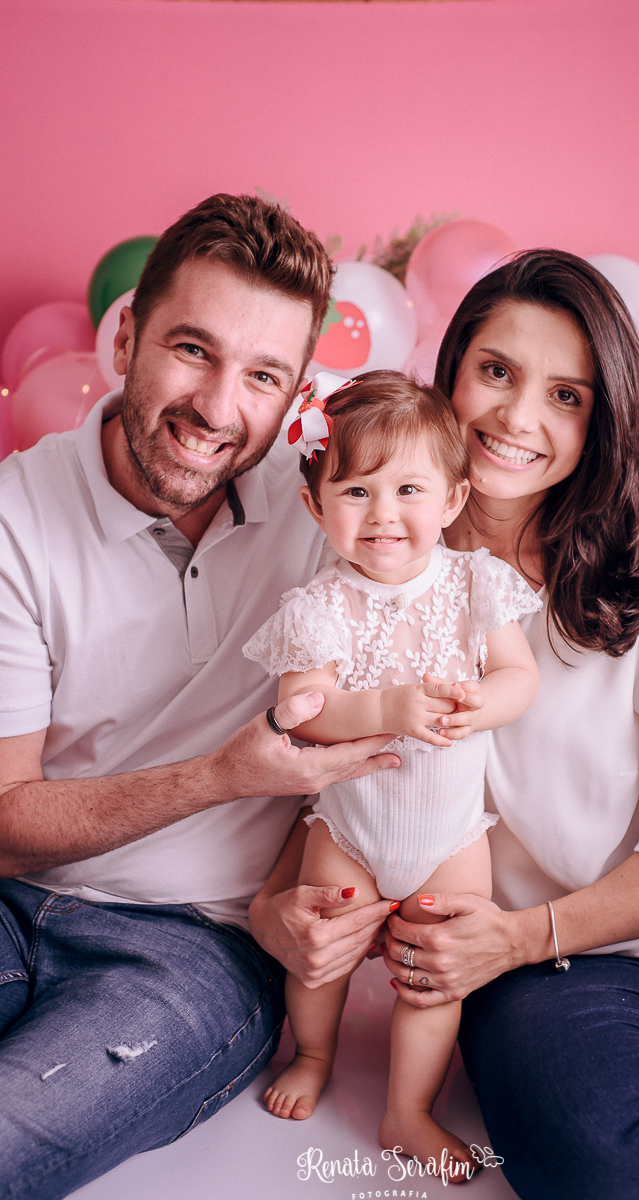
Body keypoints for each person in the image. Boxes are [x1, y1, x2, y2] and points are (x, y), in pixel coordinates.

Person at [367, 250, 639, 1200]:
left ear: (600, 421)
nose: (519, 419)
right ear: (448, 376)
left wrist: (523, 934)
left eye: (566, 395)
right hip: (548, 966)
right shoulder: (374, 562)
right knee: (601, 1164)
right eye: (495, 372)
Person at [0, 194, 401, 1200]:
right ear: (128, 333)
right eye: (192, 350)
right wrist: (223, 775)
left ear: (297, 390)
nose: (219, 408)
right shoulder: (14, 517)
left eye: (263, 375)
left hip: (193, 953)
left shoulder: (334, 510)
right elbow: (4, 824)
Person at [242, 369, 540, 1177]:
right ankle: (311, 1053)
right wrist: (386, 709)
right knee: (326, 951)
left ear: (450, 499)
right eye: (355, 491)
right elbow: (305, 710)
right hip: (350, 829)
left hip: (449, 836)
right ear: (316, 507)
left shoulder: (474, 583)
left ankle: (407, 1113)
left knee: (432, 976)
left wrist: (485, 702)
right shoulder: (318, 606)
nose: (382, 514)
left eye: (408, 489)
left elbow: (520, 676)